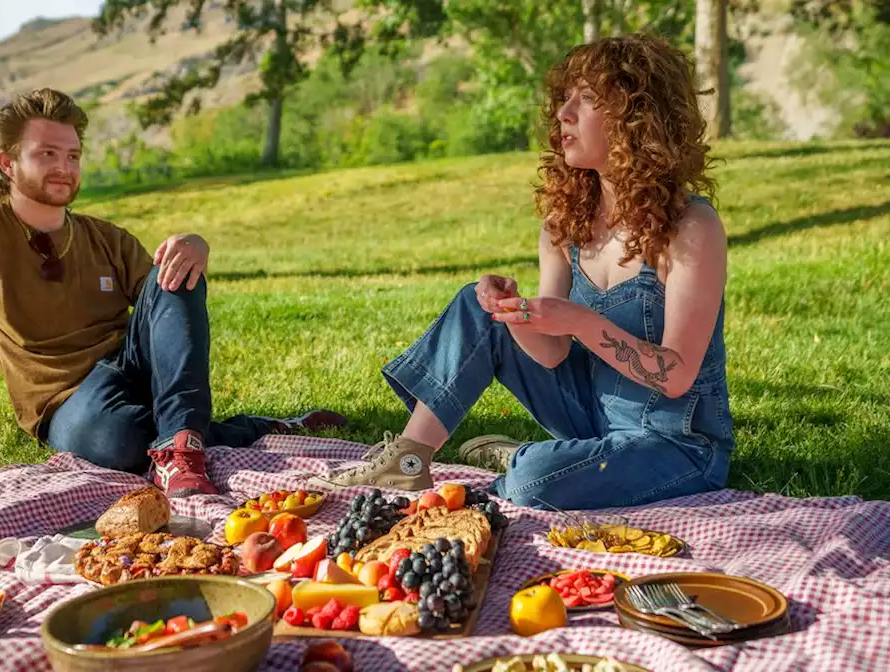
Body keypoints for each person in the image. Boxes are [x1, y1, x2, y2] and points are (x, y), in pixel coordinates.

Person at [310, 35, 735, 510]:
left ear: (638, 117)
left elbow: (675, 376)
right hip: (591, 416)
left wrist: (575, 319)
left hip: (676, 445)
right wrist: (516, 312)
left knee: (531, 481)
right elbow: (552, 354)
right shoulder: (566, 224)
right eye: (565, 99)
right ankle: (407, 462)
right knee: (478, 303)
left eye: (587, 99)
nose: (563, 114)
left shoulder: (691, 227)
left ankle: (536, 460)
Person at [0, 88, 344, 497]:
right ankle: (247, 430)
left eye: (73, 156)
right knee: (116, 442)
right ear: (8, 163)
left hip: (132, 366)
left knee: (177, 269)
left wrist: (194, 245)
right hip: (68, 402)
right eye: (47, 154)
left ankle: (180, 450)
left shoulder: (107, 238)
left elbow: (165, 307)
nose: (64, 167)